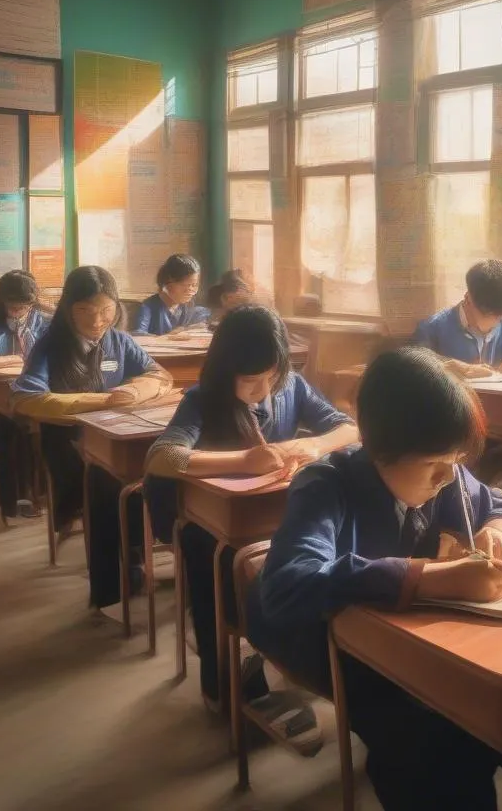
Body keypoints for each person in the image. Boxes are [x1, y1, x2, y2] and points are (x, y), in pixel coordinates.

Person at [246, 346, 502, 811]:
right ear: (381, 449)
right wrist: (427, 578)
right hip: (329, 641)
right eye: (433, 465)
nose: (449, 476)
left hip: (410, 642)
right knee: (425, 739)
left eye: (456, 461)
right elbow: (286, 587)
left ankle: (500, 759)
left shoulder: (447, 475)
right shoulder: (326, 485)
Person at [142, 304, 358, 709]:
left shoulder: (290, 386)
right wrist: (242, 460)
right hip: (214, 524)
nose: (264, 390)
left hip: (276, 512)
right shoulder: (203, 399)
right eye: (250, 381)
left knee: (323, 552)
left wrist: (313, 444)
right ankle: (224, 678)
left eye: (271, 376)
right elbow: (162, 457)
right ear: (227, 373)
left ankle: (306, 658)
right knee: (216, 565)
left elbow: (349, 427)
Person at [12, 266, 174, 555]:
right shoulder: (50, 345)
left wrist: (133, 392)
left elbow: (160, 376)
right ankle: (122, 558)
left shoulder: (120, 341)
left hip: (117, 432)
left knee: (156, 466)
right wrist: (103, 401)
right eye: (85, 310)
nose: (97, 320)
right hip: (68, 437)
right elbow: (27, 398)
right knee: (107, 484)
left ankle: (144, 542)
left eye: (106, 310)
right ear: (68, 309)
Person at [0, 270, 50, 519]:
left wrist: (6, 361)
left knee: (43, 427)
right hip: (5, 396)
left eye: (23, 306)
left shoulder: (45, 321)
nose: (17, 312)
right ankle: (13, 499)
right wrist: (19, 359)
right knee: (9, 425)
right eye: (12, 306)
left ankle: (40, 495)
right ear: (2, 301)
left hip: (41, 392)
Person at [135, 254, 209, 335]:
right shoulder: (149, 306)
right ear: (168, 281)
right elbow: (139, 335)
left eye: (194, 285)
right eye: (185, 285)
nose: (190, 291)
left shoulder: (191, 307)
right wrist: (169, 336)